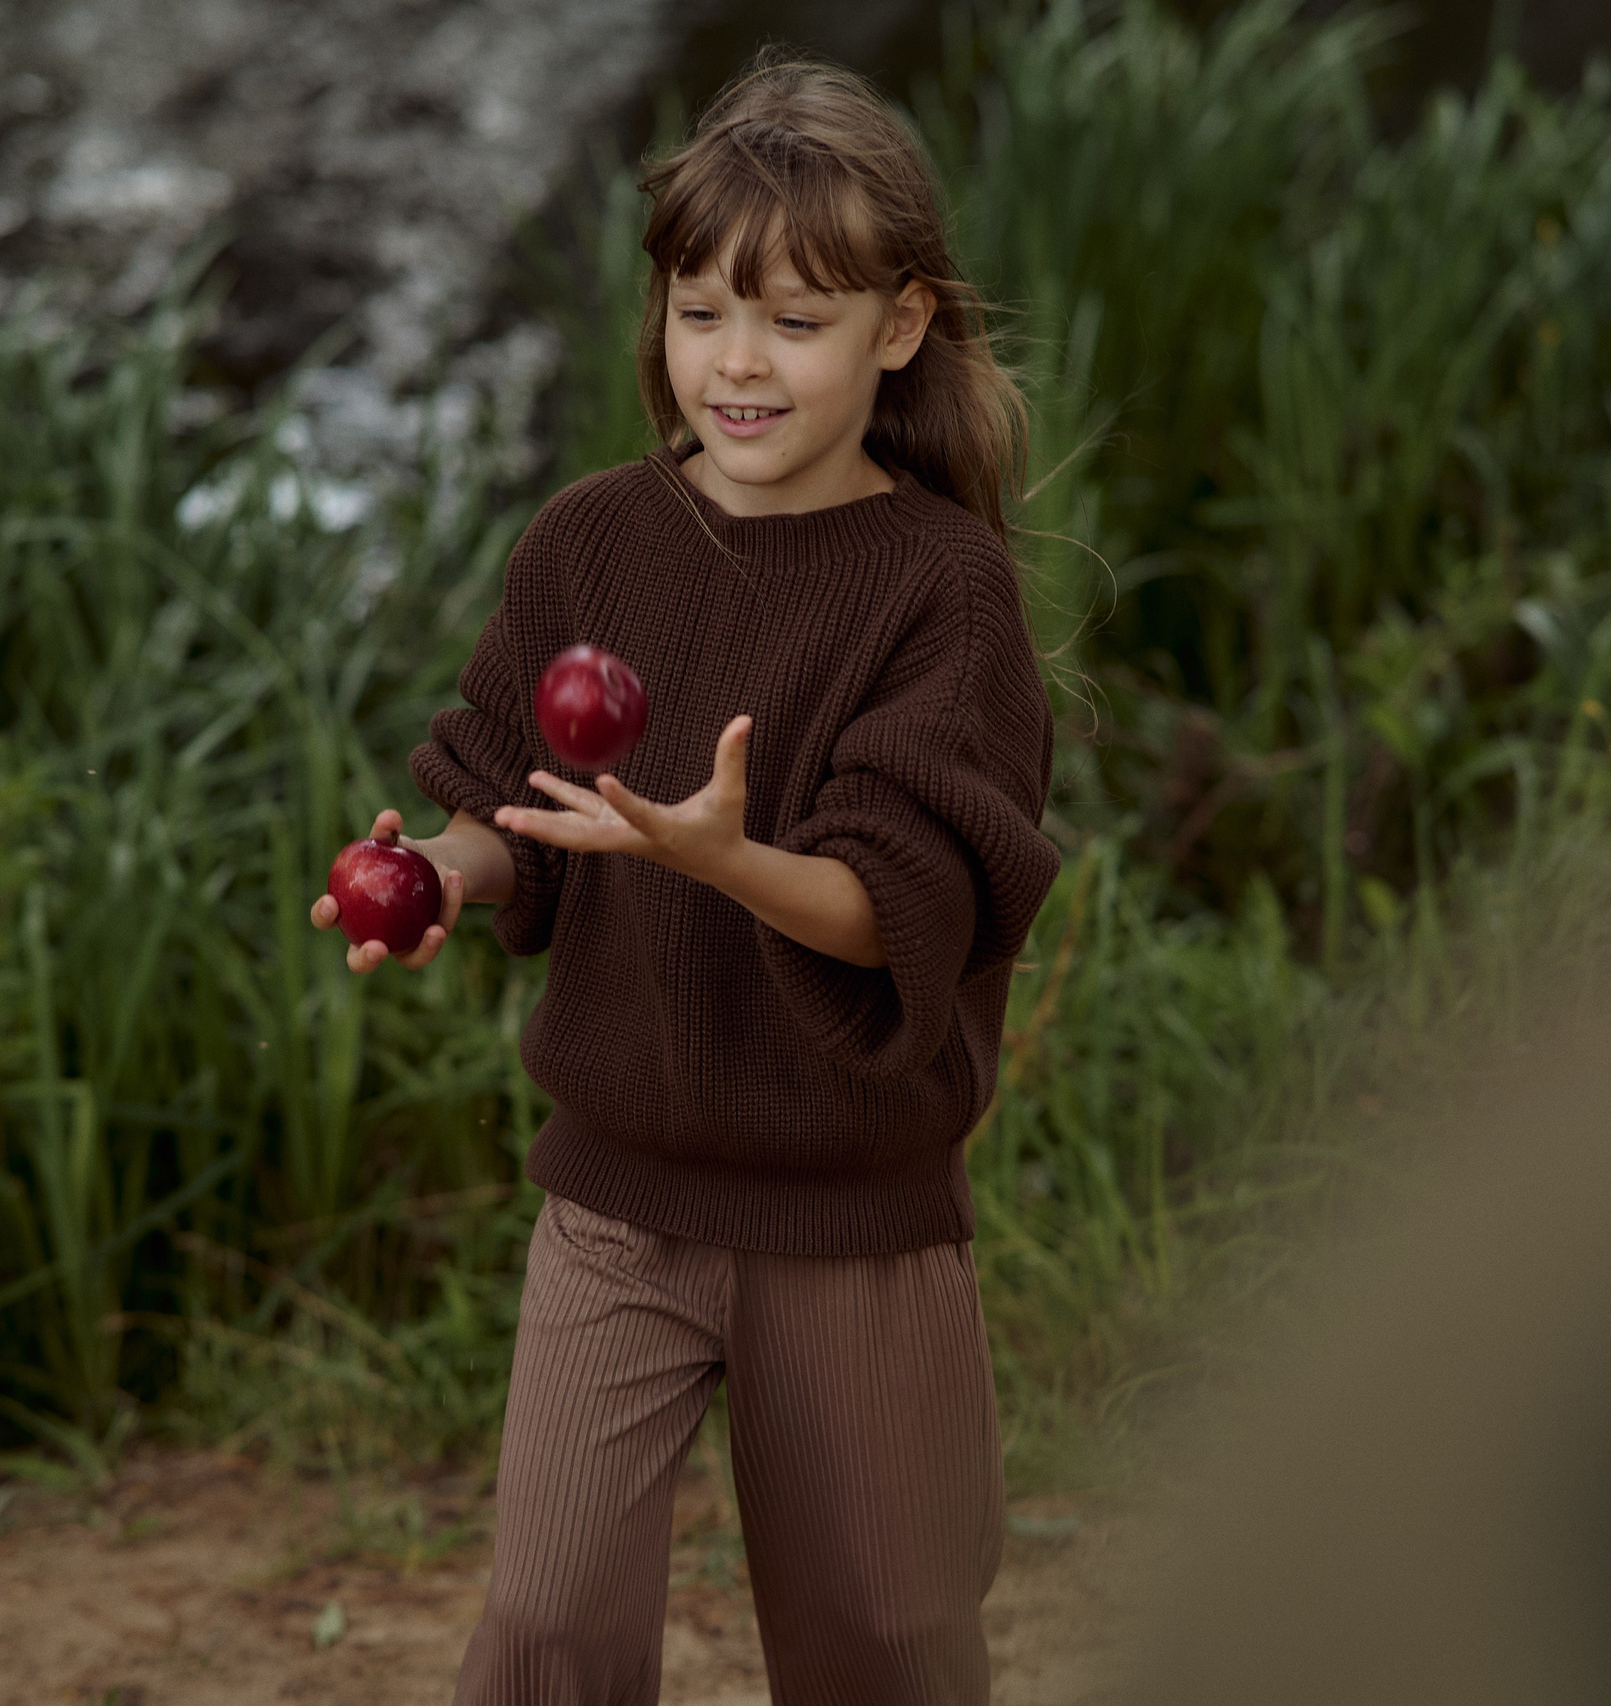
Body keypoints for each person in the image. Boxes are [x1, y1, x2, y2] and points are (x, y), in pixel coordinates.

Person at [310, 52, 1059, 1705]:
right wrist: (440, 872)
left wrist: (727, 860)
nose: (738, 360)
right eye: (703, 309)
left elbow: (902, 904)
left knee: (889, 1644)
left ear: (901, 327)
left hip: (854, 1216)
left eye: (796, 320)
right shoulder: (590, 543)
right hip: (619, 1202)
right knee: (549, 1625)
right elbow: (518, 805)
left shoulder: (942, 590)